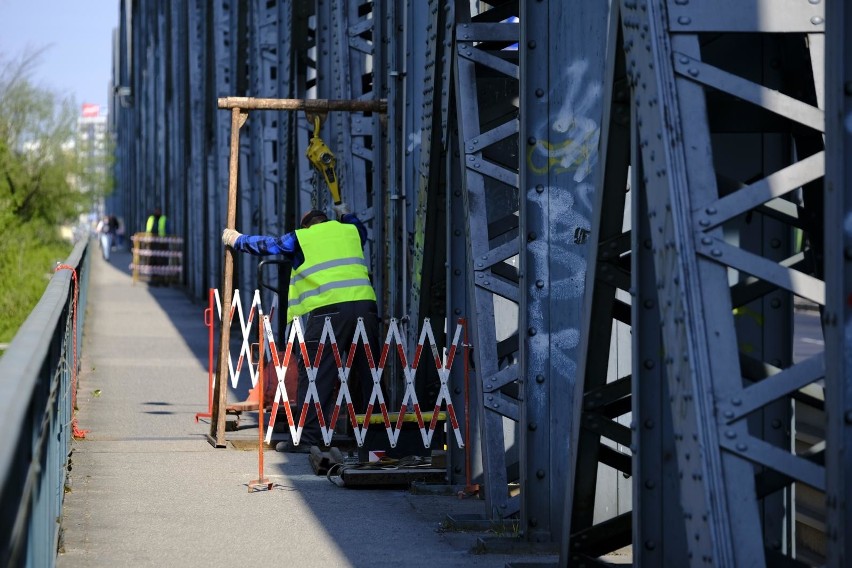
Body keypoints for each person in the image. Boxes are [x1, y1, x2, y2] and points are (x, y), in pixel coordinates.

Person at [222, 204, 381, 453]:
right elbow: (360, 228)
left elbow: (269, 245)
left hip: (329, 311)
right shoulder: (350, 230)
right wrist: (347, 212)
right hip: (366, 307)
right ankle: (376, 439)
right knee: (368, 372)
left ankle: (309, 440)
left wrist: (238, 239)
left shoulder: (301, 237)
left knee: (317, 373)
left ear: (306, 225)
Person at [146, 207, 169, 286]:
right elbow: (148, 230)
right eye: (156, 210)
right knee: (153, 261)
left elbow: (167, 230)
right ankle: (154, 279)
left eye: (158, 210)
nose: (157, 212)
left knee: (162, 262)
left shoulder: (163, 219)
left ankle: (162, 279)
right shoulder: (151, 219)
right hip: (153, 243)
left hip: (162, 244)